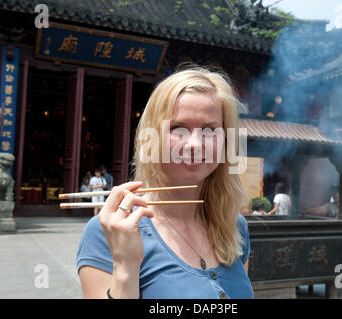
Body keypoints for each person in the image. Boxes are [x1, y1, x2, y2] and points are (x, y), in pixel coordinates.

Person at [76, 66, 253, 299]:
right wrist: (125, 265)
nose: (194, 144)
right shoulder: (108, 231)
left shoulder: (233, 224)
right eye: (178, 128)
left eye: (209, 129)